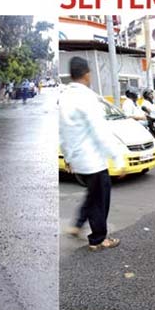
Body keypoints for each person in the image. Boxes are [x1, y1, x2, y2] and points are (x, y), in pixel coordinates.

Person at [59, 56, 125, 251]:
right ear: (87, 74)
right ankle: (98, 239)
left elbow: (62, 132)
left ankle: (77, 224)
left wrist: (68, 157)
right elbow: (100, 131)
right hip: (93, 160)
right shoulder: (87, 97)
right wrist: (117, 158)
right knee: (100, 200)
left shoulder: (64, 97)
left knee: (92, 194)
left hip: (78, 160)